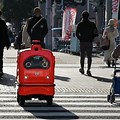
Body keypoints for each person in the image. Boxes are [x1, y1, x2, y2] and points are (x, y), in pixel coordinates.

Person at [76, 10, 98, 76]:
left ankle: (82, 68)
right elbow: (96, 33)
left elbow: (77, 33)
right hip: (89, 42)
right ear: (88, 16)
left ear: (82, 16)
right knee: (89, 56)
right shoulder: (92, 24)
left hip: (82, 42)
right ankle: (88, 69)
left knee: (82, 56)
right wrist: (92, 37)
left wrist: (80, 38)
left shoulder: (80, 24)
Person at [0, 10, 10, 77]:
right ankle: (0, 70)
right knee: (0, 56)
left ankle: (0, 70)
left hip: (1, 43)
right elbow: (5, 34)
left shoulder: (2, 23)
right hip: (1, 43)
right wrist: (7, 43)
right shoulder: (2, 23)